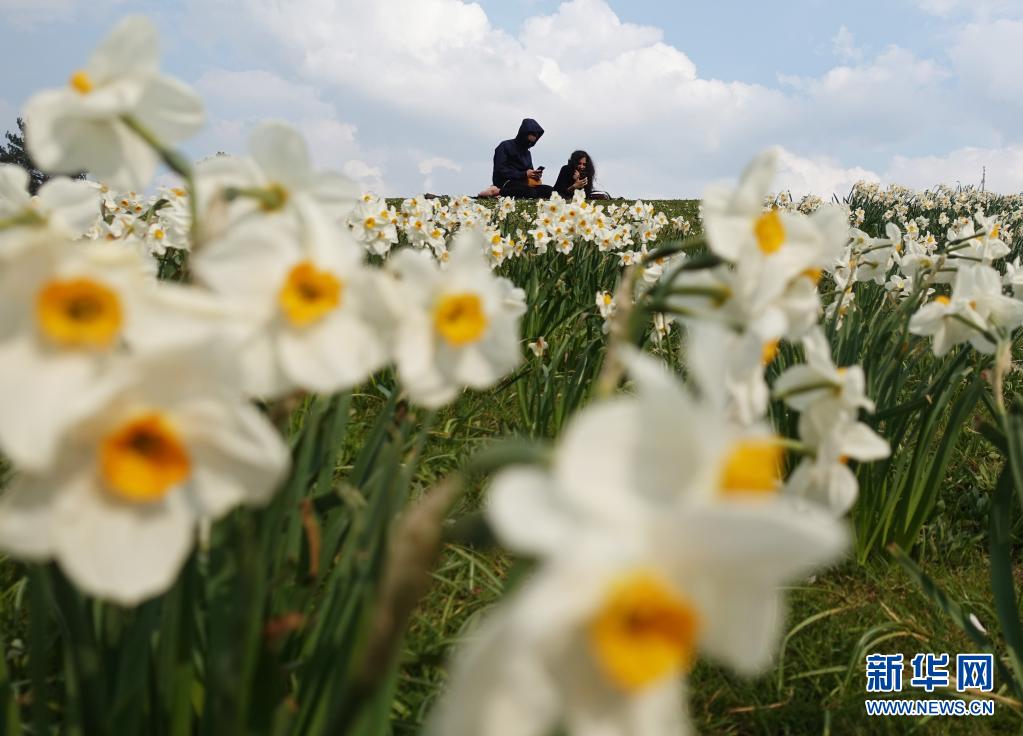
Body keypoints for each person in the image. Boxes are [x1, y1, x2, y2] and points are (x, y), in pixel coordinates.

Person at [490, 118, 553, 198]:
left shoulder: (527, 152)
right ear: (524, 134)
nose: (532, 141)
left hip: (524, 184)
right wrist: (524, 174)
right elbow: (500, 170)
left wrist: (535, 175)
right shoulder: (505, 146)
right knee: (529, 192)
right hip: (506, 182)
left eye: (534, 140)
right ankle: (496, 192)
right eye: (531, 138)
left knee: (550, 190)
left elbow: (529, 171)